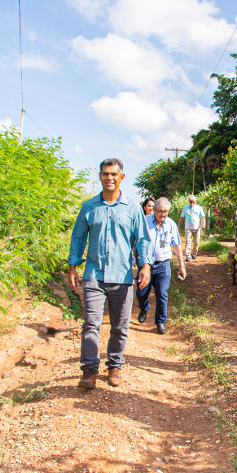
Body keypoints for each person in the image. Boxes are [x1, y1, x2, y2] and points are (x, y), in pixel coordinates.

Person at [68, 158, 152, 389]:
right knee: (90, 324)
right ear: (100, 176)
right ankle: (89, 370)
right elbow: (77, 238)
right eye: (105, 174)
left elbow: (143, 239)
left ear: (121, 177)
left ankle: (115, 365)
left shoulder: (133, 209)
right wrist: (73, 266)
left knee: (119, 326)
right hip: (94, 274)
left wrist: (146, 265)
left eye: (114, 174)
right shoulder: (89, 207)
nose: (109, 178)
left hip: (122, 277)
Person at [136, 197, 186, 334]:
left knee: (162, 293)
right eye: (160, 211)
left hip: (163, 265)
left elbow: (176, 245)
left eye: (166, 212)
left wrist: (182, 265)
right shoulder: (144, 222)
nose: (163, 214)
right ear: (154, 209)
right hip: (145, 265)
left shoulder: (171, 224)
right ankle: (144, 307)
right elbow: (136, 241)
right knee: (141, 292)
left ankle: (160, 322)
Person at [178, 194, 206, 261]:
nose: (192, 203)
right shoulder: (185, 208)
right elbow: (182, 217)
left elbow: (202, 217)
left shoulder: (199, 208)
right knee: (188, 241)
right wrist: (178, 226)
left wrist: (203, 224)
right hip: (188, 228)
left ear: (195, 201)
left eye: (193, 201)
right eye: (190, 201)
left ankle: (194, 254)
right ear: (189, 201)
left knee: (196, 242)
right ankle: (188, 255)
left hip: (197, 228)